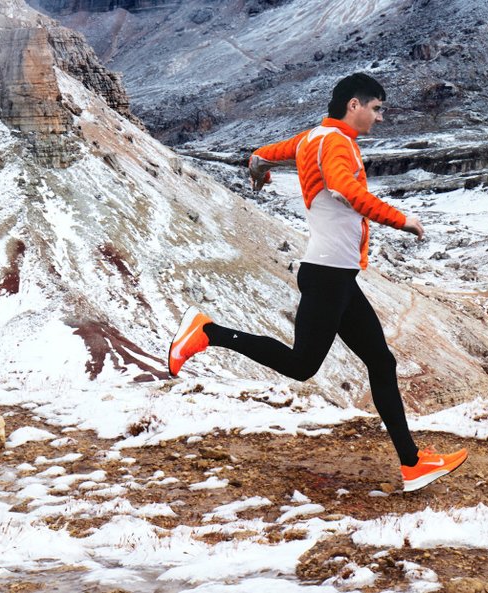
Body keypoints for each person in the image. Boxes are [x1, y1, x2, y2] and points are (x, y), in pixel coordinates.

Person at [168, 73, 467, 492]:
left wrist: (259, 167)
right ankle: (207, 332)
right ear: (353, 106)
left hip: (337, 275)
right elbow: (346, 190)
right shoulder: (336, 143)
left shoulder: (313, 137)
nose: (380, 118)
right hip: (328, 275)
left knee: (381, 362)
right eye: (376, 108)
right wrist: (402, 220)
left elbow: (265, 154)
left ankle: (413, 464)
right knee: (301, 365)